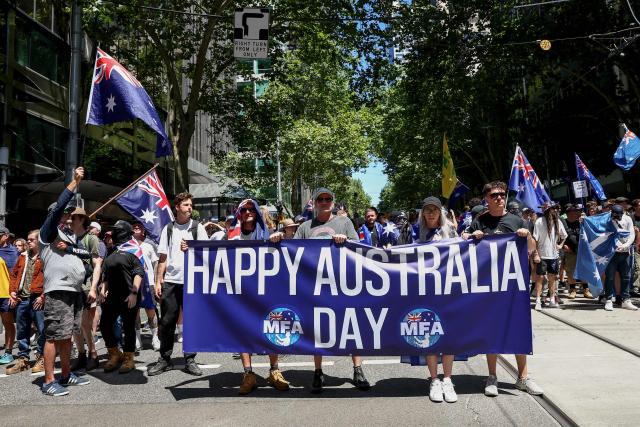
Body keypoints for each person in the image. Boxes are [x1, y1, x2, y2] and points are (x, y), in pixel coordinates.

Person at [463, 181, 543, 397]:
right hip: (488, 286)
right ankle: (492, 376)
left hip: (513, 285)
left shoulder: (518, 220)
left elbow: (532, 249)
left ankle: (523, 378)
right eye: (494, 195)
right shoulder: (480, 221)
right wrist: (472, 237)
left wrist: (527, 237)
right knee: (492, 329)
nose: (499, 198)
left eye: (501, 194)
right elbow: (464, 243)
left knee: (519, 328)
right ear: (486, 199)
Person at [288, 187, 371, 393]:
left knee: (351, 325)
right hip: (315, 286)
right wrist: (277, 239)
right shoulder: (306, 227)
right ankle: (318, 371)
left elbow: (358, 249)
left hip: (342, 284)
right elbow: (292, 252)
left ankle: (357, 368)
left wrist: (345, 241)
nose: (325, 202)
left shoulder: (344, 222)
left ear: (333, 202)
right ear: (314, 203)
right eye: (321, 199)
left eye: (328, 199)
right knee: (317, 328)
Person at [227, 199, 291, 395]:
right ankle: (248, 374)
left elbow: (283, 252)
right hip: (241, 290)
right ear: (239, 213)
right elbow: (211, 251)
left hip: (266, 290)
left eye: (251, 209)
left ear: (256, 212)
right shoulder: (230, 235)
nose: (248, 212)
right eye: (244, 210)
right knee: (242, 330)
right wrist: (190, 248)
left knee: (272, 327)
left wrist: (280, 237)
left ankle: (274, 371)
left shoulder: (267, 234)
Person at [39, 167, 90, 396]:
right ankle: (49, 381)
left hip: (74, 290)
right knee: (54, 335)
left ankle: (66, 375)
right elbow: (59, 205)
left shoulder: (70, 238)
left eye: (70, 215)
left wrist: (73, 250)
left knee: (67, 335)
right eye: (65, 214)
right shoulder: (48, 232)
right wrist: (74, 182)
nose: (68, 217)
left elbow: (87, 256)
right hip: (58, 291)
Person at [147, 192, 207, 377]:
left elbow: (207, 254)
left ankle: (190, 359)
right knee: (167, 321)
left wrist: (193, 248)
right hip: (171, 282)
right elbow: (163, 258)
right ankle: (165, 359)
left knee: (191, 321)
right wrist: (158, 281)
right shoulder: (169, 229)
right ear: (177, 207)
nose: (190, 208)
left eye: (191, 205)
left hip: (192, 281)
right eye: (186, 205)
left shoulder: (198, 228)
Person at [416, 196, 458, 403]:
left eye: (435, 209)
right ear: (422, 213)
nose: (431, 213)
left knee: (448, 335)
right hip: (424, 292)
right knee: (429, 334)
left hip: (448, 291)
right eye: (427, 209)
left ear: (440, 212)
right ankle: (434, 379)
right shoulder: (413, 232)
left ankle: (448, 379)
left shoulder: (451, 232)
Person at [99, 221, 145, 373]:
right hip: (112, 297)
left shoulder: (134, 251)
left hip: (129, 297)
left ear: (124, 232)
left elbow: (138, 273)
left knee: (128, 326)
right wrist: (103, 289)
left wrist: (134, 293)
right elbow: (106, 274)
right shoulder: (112, 252)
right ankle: (114, 354)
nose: (113, 234)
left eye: (117, 231)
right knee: (105, 325)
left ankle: (128, 358)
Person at [6, 230, 45, 374]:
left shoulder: (45, 257)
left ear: (39, 241)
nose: (28, 242)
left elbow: (50, 277)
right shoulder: (23, 256)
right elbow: (14, 274)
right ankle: (23, 359)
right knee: (22, 330)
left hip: (38, 298)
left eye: (31, 239)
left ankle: (41, 358)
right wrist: (12, 291)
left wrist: (43, 296)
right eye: (27, 239)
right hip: (22, 298)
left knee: (42, 330)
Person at [69, 207, 102, 371]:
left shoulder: (91, 239)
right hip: (70, 287)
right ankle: (81, 355)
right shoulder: (69, 238)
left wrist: (93, 288)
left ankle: (93, 354)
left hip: (86, 286)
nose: (70, 220)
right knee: (75, 325)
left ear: (81, 219)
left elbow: (97, 265)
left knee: (84, 324)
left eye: (73, 218)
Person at [132, 221, 160, 352]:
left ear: (144, 231)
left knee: (151, 310)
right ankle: (138, 339)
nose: (136, 228)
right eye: (134, 226)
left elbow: (155, 264)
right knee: (134, 312)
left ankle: (155, 337)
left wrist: (156, 280)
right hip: (133, 283)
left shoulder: (149, 245)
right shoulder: (128, 246)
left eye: (139, 226)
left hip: (149, 283)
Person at [533, 202, 567, 310]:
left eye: (557, 208)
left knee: (553, 277)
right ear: (548, 210)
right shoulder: (539, 221)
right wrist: (536, 254)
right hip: (542, 255)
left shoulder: (558, 222)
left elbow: (564, 235)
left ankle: (552, 298)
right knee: (540, 278)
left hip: (554, 255)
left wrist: (560, 245)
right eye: (554, 209)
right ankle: (538, 300)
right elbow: (535, 240)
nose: (556, 210)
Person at [604, 205, 637, 311]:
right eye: (614, 215)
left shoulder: (627, 219)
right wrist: (583, 220)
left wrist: (626, 245)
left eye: (618, 215)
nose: (616, 217)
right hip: (611, 253)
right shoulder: (606, 219)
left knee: (626, 276)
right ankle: (608, 299)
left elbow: (632, 234)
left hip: (625, 252)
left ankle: (626, 299)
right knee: (609, 276)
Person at [561, 204, 592, 299]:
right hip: (570, 251)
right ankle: (572, 290)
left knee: (584, 270)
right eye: (574, 212)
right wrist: (563, 246)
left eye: (577, 212)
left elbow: (590, 233)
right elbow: (558, 236)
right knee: (570, 271)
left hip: (582, 250)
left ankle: (586, 290)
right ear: (569, 213)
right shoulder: (563, 223)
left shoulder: (581, 222)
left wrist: (585, 220)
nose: (576, 214)